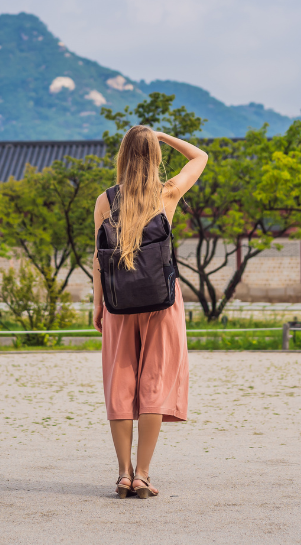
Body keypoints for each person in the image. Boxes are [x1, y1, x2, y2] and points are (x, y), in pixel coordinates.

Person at [92, 125, 207, 499]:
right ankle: (142, 474)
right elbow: (200, 157)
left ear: (122, 157)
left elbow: (98, 259)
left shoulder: (105, 201)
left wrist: (98, 305)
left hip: (118, 304)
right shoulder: (167, 193)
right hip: (162, 301)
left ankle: (123, 474)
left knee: (121, 384)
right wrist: (163, 137)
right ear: (155, 157)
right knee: (154, 381)